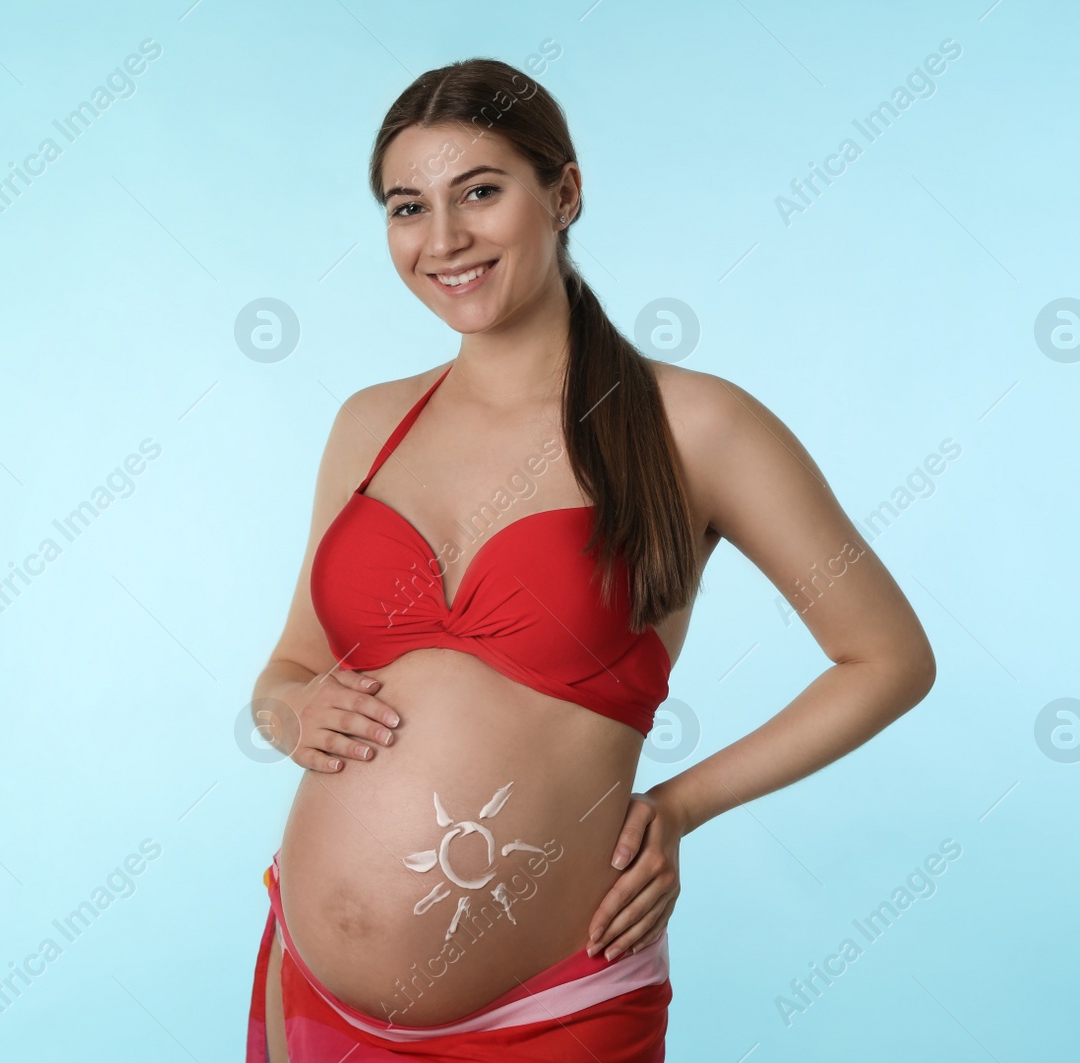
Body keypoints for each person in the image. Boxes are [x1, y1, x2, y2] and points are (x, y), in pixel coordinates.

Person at [244, 57, 936, 1062]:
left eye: (480, 191)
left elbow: (887, 658)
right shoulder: (367, 423)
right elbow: (286, 672)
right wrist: (291, 712)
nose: (442, 240)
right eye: (407, 206)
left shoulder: (696, 426)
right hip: (309, 987)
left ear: (562, 191)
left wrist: (680, 805)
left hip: (551, 1012)